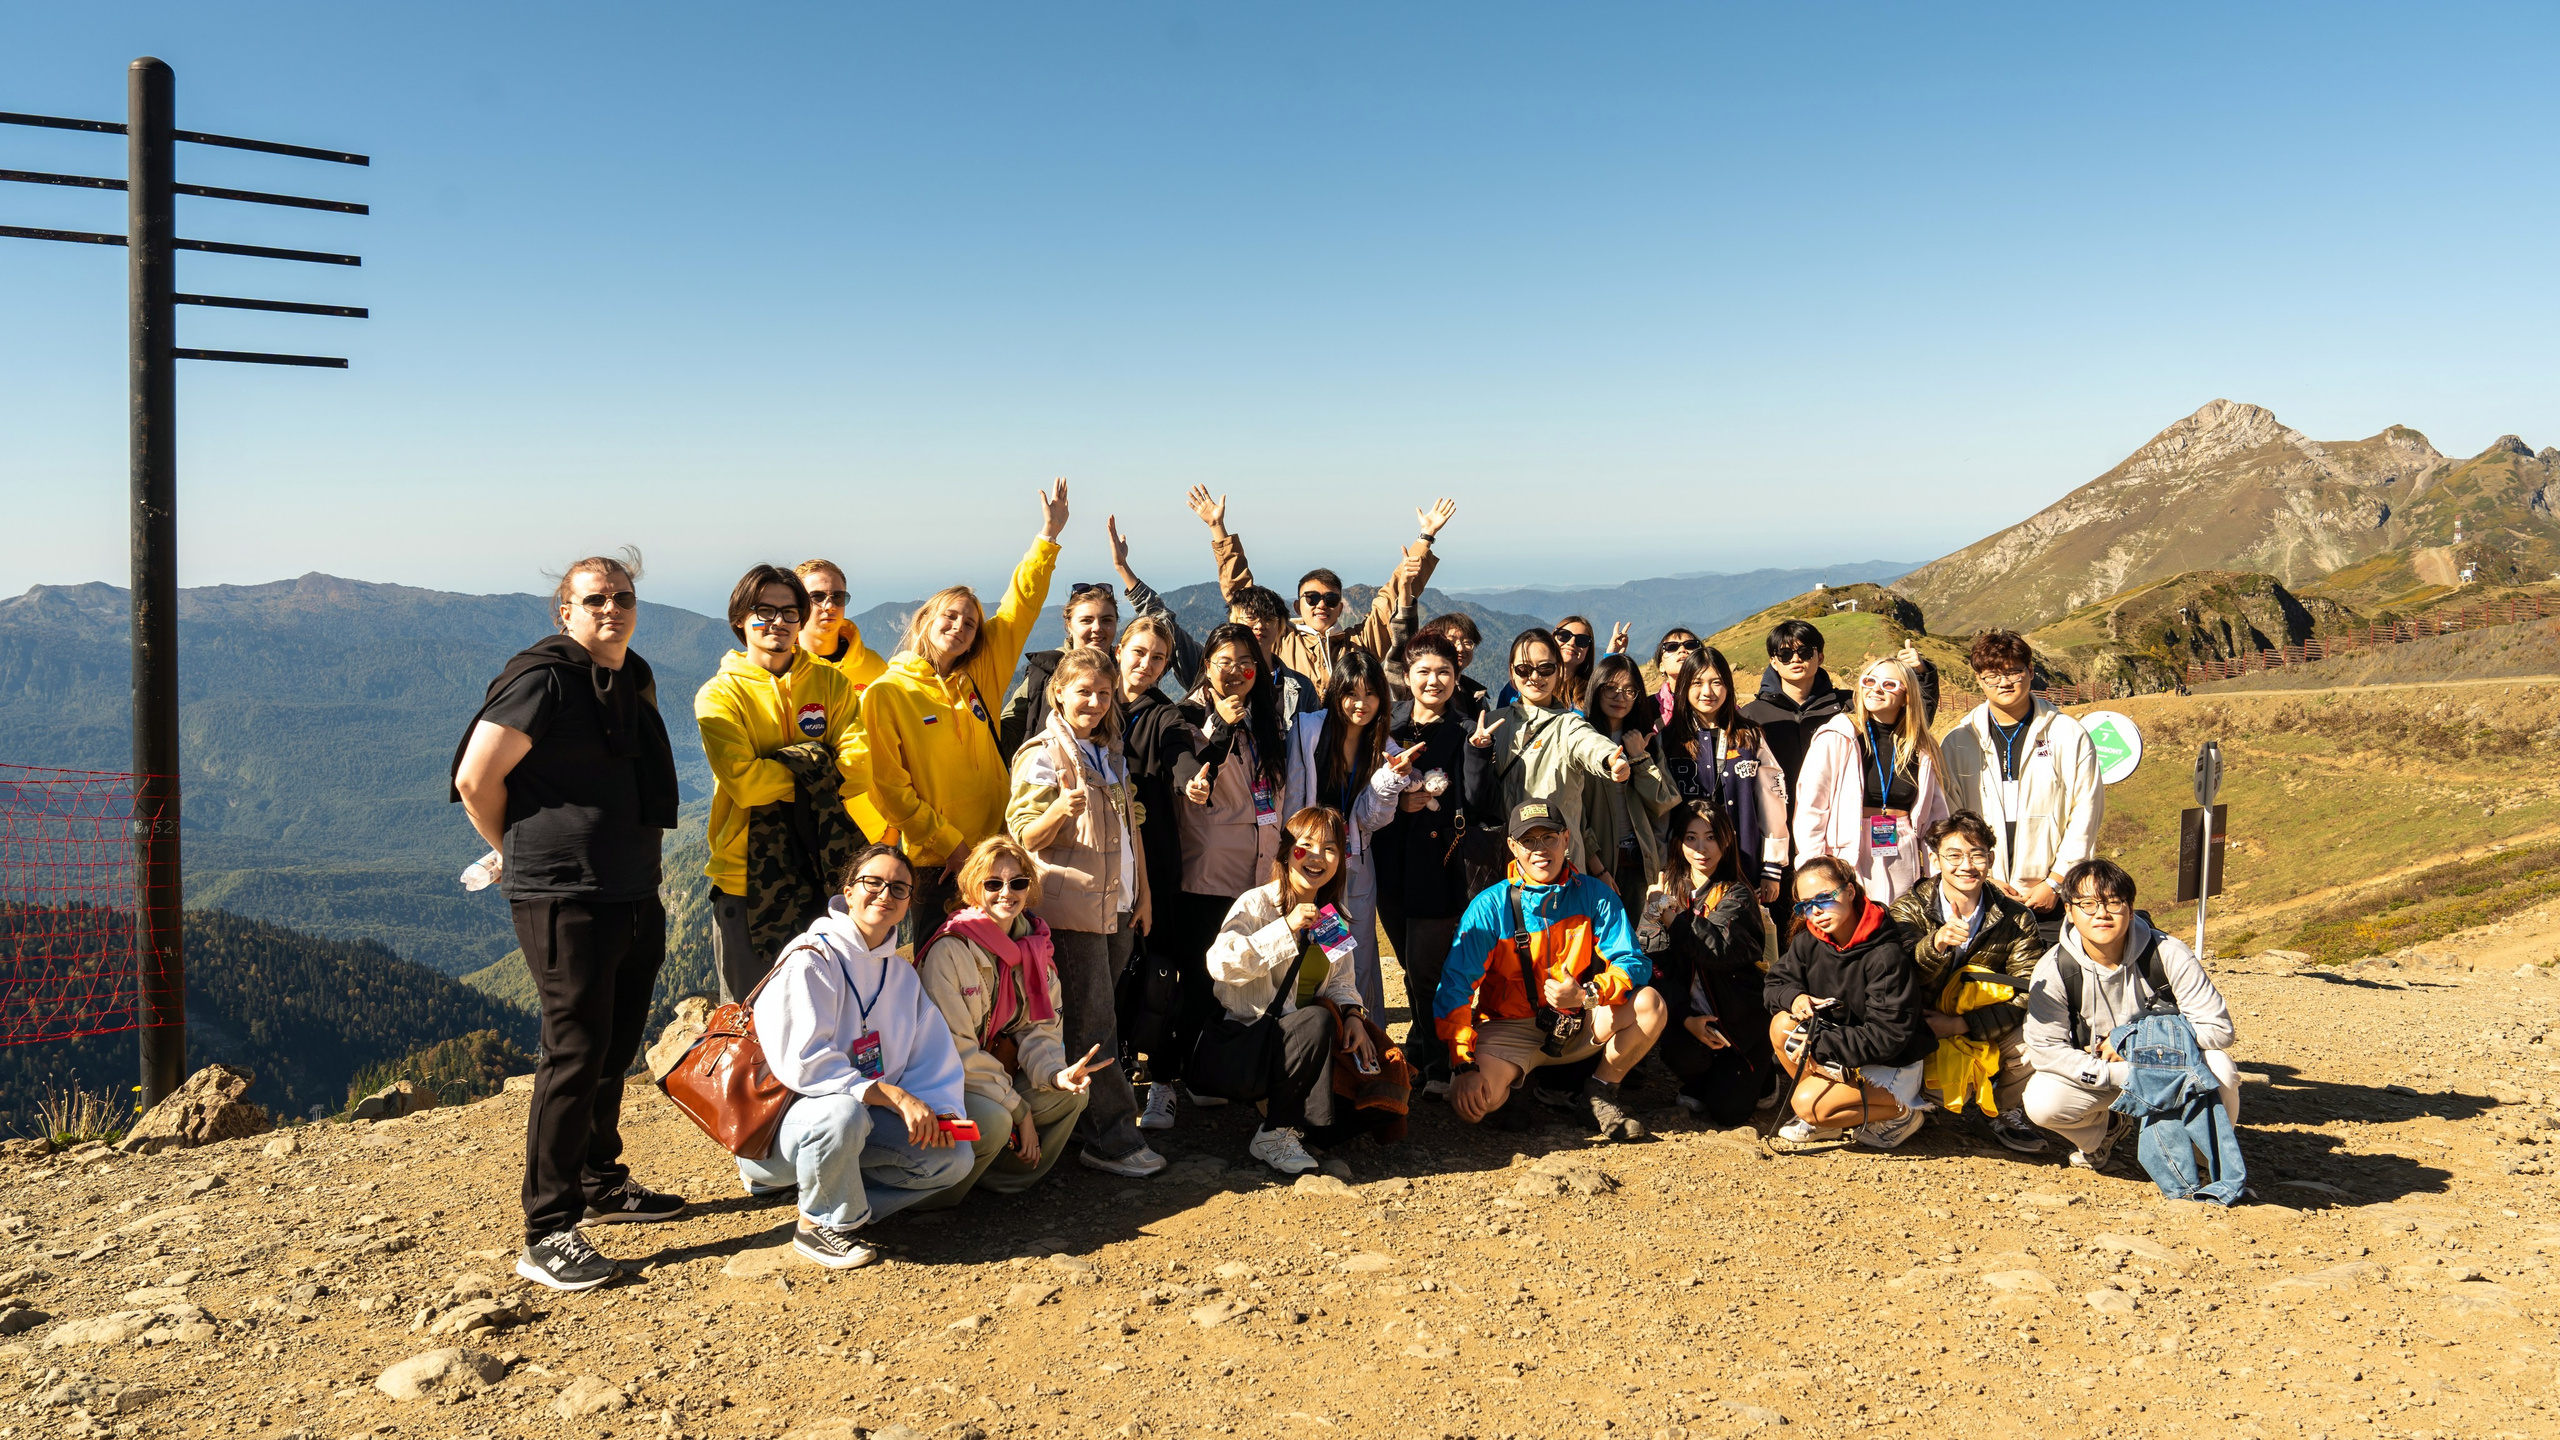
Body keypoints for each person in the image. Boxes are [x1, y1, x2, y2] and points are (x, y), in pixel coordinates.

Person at [452, 549, 684, 1292]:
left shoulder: (631, 675)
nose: (612, 608)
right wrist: (515, 852)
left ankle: (599, 1181)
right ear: (566, 611)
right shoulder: (543, 678)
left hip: (631, 884)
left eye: (622, 596)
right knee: (574, 1049)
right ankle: (548, 1230)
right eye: (595, 599)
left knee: (614, 1043)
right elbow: (475, 778)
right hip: (561, 893)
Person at [740, 844, 974, 1268]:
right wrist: (892, 1095)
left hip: (854, 1127)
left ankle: (842, 1200)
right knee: (841, 1112)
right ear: (848, 892)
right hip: (779, 1131)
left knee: (952, 1159)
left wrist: (938, 1111)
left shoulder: (899, 974)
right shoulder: (811, 958)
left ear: (908, 903)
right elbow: (806, 1062)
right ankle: (817, 1223)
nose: (885, 893)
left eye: (899, 888)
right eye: (873, 882)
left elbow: (929, 1054)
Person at [861, 480, 1068, 923]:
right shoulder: (887, 693)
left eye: (970, 623)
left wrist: (1047, 538)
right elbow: (889, 791)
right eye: (950, 616)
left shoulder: (976, 681)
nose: (959, 626)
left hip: (997, 854)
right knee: (942, 958)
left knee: (999, 959)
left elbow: (1017, 610)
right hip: (939, 864)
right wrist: (950, 844)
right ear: (925, 620)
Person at [1003, 646, 1167, 1179]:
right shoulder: (1042, 755)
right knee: (1092, 1022)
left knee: (1096, 1016)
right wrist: (1058, 809)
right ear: (1058, 693)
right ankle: (1111, 1138)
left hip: (1115, 905)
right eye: (1083, 692)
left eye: (1103, 693)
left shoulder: (1107, 752)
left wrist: (1143, 895)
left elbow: (1131, 830)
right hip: (1070, 912)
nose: (1094, 703)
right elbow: (1022, 836)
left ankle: (1077, 1122)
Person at [1436, 800, 1667, 1141]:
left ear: (1566, 839)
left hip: (1576, 1019)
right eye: (1528, 841)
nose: (1540, 850)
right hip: (1508, 1028)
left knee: (1650, 1004)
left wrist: (1588, 994)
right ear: (1512, 847)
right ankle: (1518, 1086)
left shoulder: (1595, 895)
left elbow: (1633, 963)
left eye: (1549, 838)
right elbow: (1455, 987)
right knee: (1475, 1103)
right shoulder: (1488, 906)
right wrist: (1463, 1063)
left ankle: (1600, 1093)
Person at [695, 564, 874, 1003]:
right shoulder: (720, 695)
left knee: (830, 1006)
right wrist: (819, 762)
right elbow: (746, 785)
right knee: (750, 1014)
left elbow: (859, 769)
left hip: (824, 869)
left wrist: (778, 765)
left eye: (789, 612)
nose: (778, 621)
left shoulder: (831, 683)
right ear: (740, 618)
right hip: (746, 880)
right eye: (764, 611)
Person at [912, 837, 1120, 1205]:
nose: (1006, 893)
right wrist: (1019, 1110)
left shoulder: (1035, 947)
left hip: (994, 1073)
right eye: (993, 883)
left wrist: (1055, 1074)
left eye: (1018, 882)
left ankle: (998, 1179)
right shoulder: (950, 949)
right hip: (947, 1081)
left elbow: (1040, 1030)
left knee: (1070, 1094)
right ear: (972, 888)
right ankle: (938, 1196)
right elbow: (956, 1051)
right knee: (996, 1118)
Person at [1142, 623, 1290, 1133]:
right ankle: (1161, 1083)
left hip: (1256, 876)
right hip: (1203, 878)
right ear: (1205, 665)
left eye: (1247, 663)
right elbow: (1192, 776)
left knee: (1233, 984)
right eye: (1224, 661)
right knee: (1191, 984)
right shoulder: (1185, 718)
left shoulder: (1264, 720)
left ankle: (1201, 1073)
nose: (1236, 672)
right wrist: (1222, 727)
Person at [1198, 806, 1385, 1174]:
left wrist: (1353, 1015)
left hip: (1302, 1046)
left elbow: (1342, 981)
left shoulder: (1331, 916)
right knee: (1316, 1020)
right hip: (1251, 1042)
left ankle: (1296, 1119)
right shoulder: (1255, 904)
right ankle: (1274, 1132)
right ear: (1286, 853)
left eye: (1330, 849)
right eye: (1306, 845)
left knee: (1366, 1113)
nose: (1317, 857)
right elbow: (1220, 964)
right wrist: (1286, 927)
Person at [2022, 859, 2241, 1174]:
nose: (2102, 913)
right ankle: (2103, 1133)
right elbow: (2047, 1051)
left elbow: (2219, 1029)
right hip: (2104, 1072)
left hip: (2169, 1065)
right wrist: (2119, 1074)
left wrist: (2132, 1039)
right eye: (2088, 904)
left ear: (2130, 907)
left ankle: (2205, 1159)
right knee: (2043, 1101)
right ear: (2068, 910)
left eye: (2114, 902)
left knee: (2220, 1068)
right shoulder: (2055, 968)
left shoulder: (2168, 953)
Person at [1190, 484, 1454, 701]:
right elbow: (1243, 597)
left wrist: (1425, 537)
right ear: (1297, 607)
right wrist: (1217, 528)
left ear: (1340, 607)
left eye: (1330, 599)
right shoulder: (1281, 639)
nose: (1321, 605)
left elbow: (1392, 598)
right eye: (1312, 598)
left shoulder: (1359, 643)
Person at [1886, 811, 2049, 1154]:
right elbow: (1894, 977)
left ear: (1991, 859)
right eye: (1954, 855)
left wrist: (1962, 1024)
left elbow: (2027, 991)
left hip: (1979, 1023)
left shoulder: (2017, 918)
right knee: (1925, 1092)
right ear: (1935, 859)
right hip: (1921, 1026)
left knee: (2038, 1038)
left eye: (1977, 855)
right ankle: (1909, 1105)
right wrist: (1935, 945)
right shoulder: (1907, 909)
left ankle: (2001, 1111)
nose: (1967, 866)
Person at [1938, 630, 2103, 946]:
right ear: (1979, 679)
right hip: (1982, 893)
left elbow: (2087, 811)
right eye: (1992, 676)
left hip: (2053, 898)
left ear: (2030, 671)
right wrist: (1985, 879)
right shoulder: (1958, 741)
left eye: (2013, 671)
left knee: (2055, 973)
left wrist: (2055, 882)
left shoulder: (2068, 734)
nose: (2004, 682)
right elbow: (1950, 817)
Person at [1373, 632, 1485, 1092]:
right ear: (1406, 675)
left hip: (1439, 866)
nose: (1433, 680)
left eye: (1444, 671)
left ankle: (1441, 1064)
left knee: (1425, 970)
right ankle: (1421, 1048)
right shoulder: (1387, 722)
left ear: (1457, 677)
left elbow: (1477, 804)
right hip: (1389, 863)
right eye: (1423, 671)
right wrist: (1398, 802)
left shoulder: (1466, 731)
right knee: (1408, 963)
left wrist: (1478, 754)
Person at [1765, 855, 1935, 1152]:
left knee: (1806, 1103)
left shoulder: (1885, 954)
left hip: (1890, 1062)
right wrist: (1795, 998)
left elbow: (1888, 1037)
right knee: (1782, 1023)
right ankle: (1827, 1117)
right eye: (1806, 905)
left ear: (1850, 891)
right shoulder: (1809, 942)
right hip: (1843, 1049)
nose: (1816, 911)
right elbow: (1774, 984)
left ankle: (1903, 1114)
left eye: (1824, 898)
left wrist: (1819, 1042)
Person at [996, 514, 1200, 758]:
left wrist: (1123, 569)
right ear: (1069, 625)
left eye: (1107, 620)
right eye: (1086, 620)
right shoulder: (1044, 673)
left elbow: (1164, 628)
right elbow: (1003, 736)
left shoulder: (1131, 668)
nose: (1097, 628)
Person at [1283, 646, 1408, 1015]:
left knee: (1356, 951)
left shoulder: (1383, 747)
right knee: (1311, 946)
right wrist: (1291, 857)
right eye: (1351, 693)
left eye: (1370, 693)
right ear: (1336, 692)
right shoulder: (1308, 730)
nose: (1361, 703)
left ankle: (1363, 1031)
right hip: (1310, 861)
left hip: (1353, 863)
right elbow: (1293, 798)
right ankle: (1311, 1027)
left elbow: (1371, 820)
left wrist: (1389, 780)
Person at [1635, 801, 1772, 1125]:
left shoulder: (1738, 894)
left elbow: (1715, 949)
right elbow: (1651, 962)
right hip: (1694, 1016)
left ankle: (1765, 1079)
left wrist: (1667, 914)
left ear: (1726, 840)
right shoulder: (1667, 890)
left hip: (1739, 1023)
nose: (1701, 849)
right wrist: (1684, 1018)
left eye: (1711, 837)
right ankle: (1701, 1081)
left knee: (1728, 1114)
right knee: (1677, 1050)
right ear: (1678, 842)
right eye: (1691, 838)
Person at [1467, 628, 1632, 877]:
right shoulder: (1492, 723)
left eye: (1545, 668)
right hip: (1503, 862)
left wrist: (1611, 760)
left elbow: (1590, 744)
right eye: (1524, 669)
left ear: (1559, 671)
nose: (1535, 677)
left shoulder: (1569, 724)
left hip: (1556, 864)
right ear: (1511, 673)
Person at [1791, 655, 1947, 904]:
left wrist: (1940, 874)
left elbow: (1935, 818)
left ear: (1907, 696)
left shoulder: (1921, 746)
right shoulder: (1837, 736)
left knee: (1901, 922)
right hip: (1846, 854)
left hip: (1902, 851)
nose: (1876, 689)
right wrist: (1814, 868)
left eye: (1889, 684)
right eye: (1869, 681)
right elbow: (1812, 806)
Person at [1654, 648, 1788, 904]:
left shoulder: (1749, 736)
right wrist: (1661, 866)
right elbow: (1658, 810)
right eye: (1697, 683)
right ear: (1684, 687)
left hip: (1743, 861)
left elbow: (1772, 800)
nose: (1708, 692)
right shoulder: (1668, 739)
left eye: (1716, 682)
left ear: (1728, 686)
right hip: (1685, 866)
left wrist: (1772, 864)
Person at [1578, 653, 1677, 901]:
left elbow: (1664, 803)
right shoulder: (1582, 741)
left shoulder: (1646, 740)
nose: (1620, 697)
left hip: (1641, 866)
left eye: (1629, 690)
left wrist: (1640, 759)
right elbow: (1575, 811)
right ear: (1596, 689)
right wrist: (1597, 867)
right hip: (1596, 867)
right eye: (1611, 688)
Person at [1737, 619, 1844, 804]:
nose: (1795, 659)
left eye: (1805, 652)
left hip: (1834, 815)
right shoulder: (1751, 715)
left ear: (1820, 657)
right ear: (1774, 662)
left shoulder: (1846, 707)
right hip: (1772, 816)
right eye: (1785, 654)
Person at [793, 558, 890, 693]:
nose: (830, 606)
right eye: (817, 597)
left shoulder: (876, 667)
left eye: (837, 597)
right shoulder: (779, 667)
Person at [1223, 583, 1321, 715]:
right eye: (1250, 618)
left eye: (1269, 619)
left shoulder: (1303, 686)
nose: (1259, 626)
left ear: (1280, 626)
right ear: (1234, 622)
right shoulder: (1222, 679)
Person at [1417, 612, 1489, 722]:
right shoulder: (1423, 689)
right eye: (1451, 641)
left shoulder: (1477, 697)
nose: (1460, 648)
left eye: (1467, 642)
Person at [1643, 627, 1706, 725]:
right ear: (1661, 666)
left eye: (1690, 645)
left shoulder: (1715, 701)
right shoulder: (1647, 709)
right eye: (1672, 647)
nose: (1682, 650)